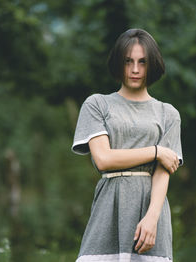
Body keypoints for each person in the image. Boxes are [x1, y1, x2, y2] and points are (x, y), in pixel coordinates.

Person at [72, 28, 183, 262]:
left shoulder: (168, 114)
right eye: (128, 61)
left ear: (152, 64)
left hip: (151, 213)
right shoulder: (97, 105)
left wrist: (153, 218)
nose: (135, 70)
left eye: (142, 62)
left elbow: (164, 172)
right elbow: (103, 159)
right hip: (108, 211)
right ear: (118, 63)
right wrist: (156, 152)